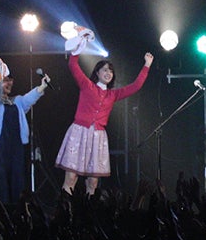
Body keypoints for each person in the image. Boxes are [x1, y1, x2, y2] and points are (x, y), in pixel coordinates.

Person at [54, 42, 152, 196]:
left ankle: (89, 212)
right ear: (97, 73)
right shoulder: (87, 85)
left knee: (93, 181)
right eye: (105, 70)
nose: (108, 73)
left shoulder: (112, 95)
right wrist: (78, 47)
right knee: (71, 177)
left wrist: (146, 65)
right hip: (79, 132)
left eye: (111, 71)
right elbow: (73, 64)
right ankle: (67, 212)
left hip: (98, 137)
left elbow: (135, 86)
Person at [0, 60, 48, 202]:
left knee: (17, 180)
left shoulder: (16, 101)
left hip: (16, 148)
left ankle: (17, 212)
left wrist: (42, 86)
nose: (9, 83)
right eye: (5, 80)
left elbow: (28, 99)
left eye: (10, 80)